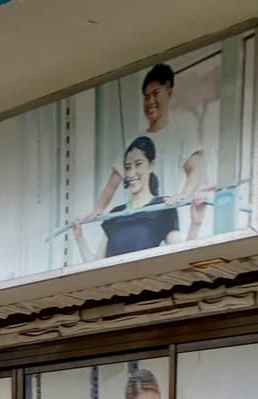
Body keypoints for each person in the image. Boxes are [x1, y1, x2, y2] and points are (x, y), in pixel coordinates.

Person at [83, 63, 210, 246]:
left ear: (169, 93)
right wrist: (100, 208)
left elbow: (195, 170)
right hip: (139, 221)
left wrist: (184, 194)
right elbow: (112, 184)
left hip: (165, 217)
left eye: (156, 94)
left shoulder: (182, 132)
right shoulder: (132, 143)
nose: (150, 102)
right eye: (146, 97)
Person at [72, 138, 183, 260]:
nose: (131, 173)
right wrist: (79, 238)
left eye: (138, 164)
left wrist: (195, 223)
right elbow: (97, 263)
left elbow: (181, 254)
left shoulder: (163, 207)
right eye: (127, 167)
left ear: (151, 165)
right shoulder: (115, 214)